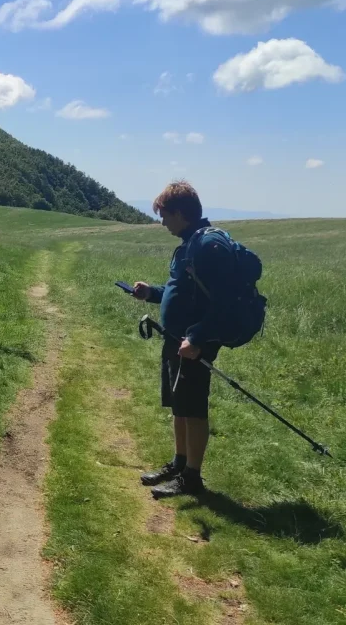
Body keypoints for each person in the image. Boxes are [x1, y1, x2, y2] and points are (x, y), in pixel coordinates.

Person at [130, 180, 235, 499]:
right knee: (179, 405)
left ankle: (192, 477)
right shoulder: (189, 245)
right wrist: (153, 293)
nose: (162, 222)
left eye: (164, 216)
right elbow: (181, 291)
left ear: (180, 213)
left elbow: (223, 302)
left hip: (193, 344)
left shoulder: (207, 247)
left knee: (194, 408)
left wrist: (199, 338)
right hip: (176, 340)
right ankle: (179, 463)